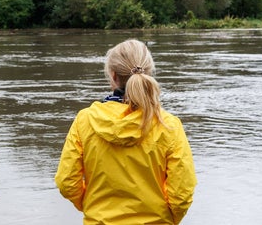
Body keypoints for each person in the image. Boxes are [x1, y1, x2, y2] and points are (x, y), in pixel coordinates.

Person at [55, 39, 196, 224]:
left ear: (113, 76)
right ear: (149, 73)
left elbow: (67, 183)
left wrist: (92, 207)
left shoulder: (85, 121)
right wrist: (167, 219)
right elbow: (182, 193)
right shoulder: (168, 125)